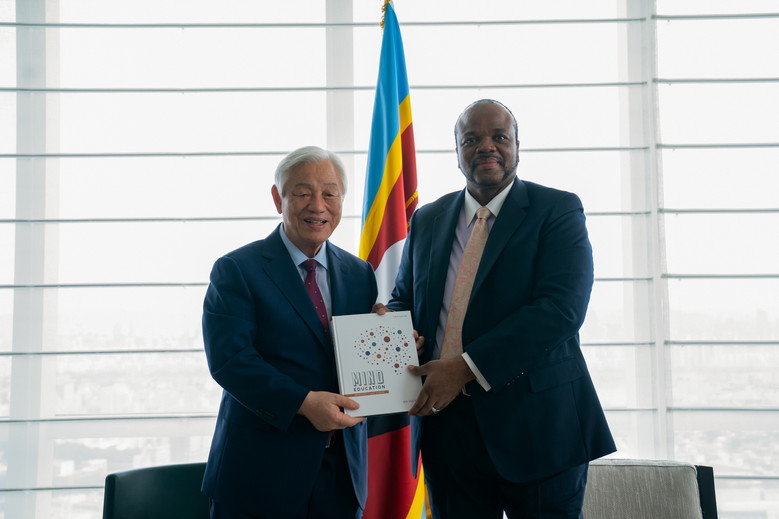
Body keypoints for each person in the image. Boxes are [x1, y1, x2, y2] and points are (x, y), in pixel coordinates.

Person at [378, 99, 616, 519]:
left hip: (539, 427)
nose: (485, 146)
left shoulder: (557, 210)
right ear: (457, 152)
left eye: (499, 136)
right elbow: (405, 300)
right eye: (471, 139)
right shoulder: (428, 219)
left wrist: (464, 367)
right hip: (448, 431)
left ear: (517, 146)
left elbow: (560, 310)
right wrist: (398, 331)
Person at [201, 146, 377, 519]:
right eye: (302, 192)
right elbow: (231, 361)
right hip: (259, 473)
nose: (318, 205)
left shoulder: (360, 274)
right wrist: (304, 403)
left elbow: (359, 358)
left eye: (330, 193)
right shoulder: (237, 269)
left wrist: (392, 340)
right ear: (277, 198)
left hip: (341, 474)